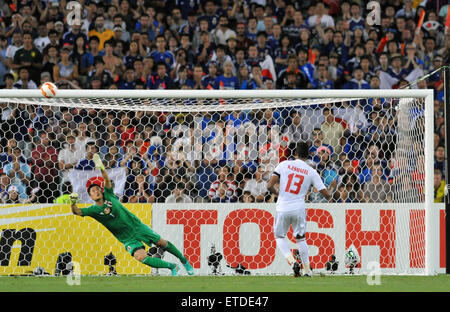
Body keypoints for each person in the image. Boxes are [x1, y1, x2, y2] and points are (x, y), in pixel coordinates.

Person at [70, 153, 194, 276]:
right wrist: (73, 203)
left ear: (101, 191)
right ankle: (172, 266)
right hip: (126, 238)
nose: (96, 191)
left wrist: (101, 167)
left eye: (97, 189)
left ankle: (184, 261)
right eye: (93, 191)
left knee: (162, 243)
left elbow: (106, 179)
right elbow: (77, 212)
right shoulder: (93, 210)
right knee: (141, 257)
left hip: (136, 226)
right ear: (90, 196)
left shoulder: (109, 194)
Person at [267, 142, 332, 277]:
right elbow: (326, 194)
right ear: (307, 155)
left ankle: (292, 262)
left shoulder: (283, 164)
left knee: (279, 236)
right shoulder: (311, 171)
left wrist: (279, 194)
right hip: (299, 208)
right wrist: (329, 192)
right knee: (301, 239)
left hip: (283, 207)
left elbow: (269, 186)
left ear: (295, 153)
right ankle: (307, 271)